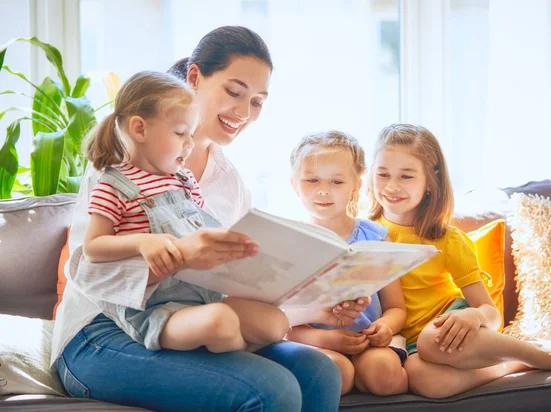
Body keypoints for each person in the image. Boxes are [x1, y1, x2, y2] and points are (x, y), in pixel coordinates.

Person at [52, 26, 366, 412]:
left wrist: (320, 307)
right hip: (101, 330)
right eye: (234, 92)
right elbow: (87, 269)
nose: (243, 112)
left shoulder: (229, 183)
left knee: (319, 371)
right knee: (272, 389)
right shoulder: (125, 158)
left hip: (196, 320)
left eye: (256, 102)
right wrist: (180, 256)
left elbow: (237, 289)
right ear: (196, 78)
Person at [367, 123, 551, 398]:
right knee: (424, 380)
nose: (391, 186)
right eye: (383, 174)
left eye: (406, 176)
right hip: (408, 344)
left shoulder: (447, 240)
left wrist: (473, 315)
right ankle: (515, 363)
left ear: (431, 181)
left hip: (452, 327)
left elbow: (490, 313)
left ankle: (539, 353)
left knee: (432, 339)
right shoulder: (364, 232)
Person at [82, 70, 289, 353]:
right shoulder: (113, 184)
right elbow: (93, 247)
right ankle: (243, 355)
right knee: (222, 322)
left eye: (190, 134)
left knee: (275, 322)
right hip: (157, 309)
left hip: (205, 294)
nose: (189, 144)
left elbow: (205, 232)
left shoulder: (183, 180)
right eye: (180, 133)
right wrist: (144, 242)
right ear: (140, 129)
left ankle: (237, 348)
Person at [285, 131, 409, 396]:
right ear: (295, 184)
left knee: (384, 376)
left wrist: (385, 327)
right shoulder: (288, 241)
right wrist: (324, 338)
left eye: (337, 181)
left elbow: (396, 307)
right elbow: (283, 325)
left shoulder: (376, 237)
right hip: (317, 342)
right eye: (312, 179)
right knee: (334, 374)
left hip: (370, 342)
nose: (323, 190)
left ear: (355, 187)